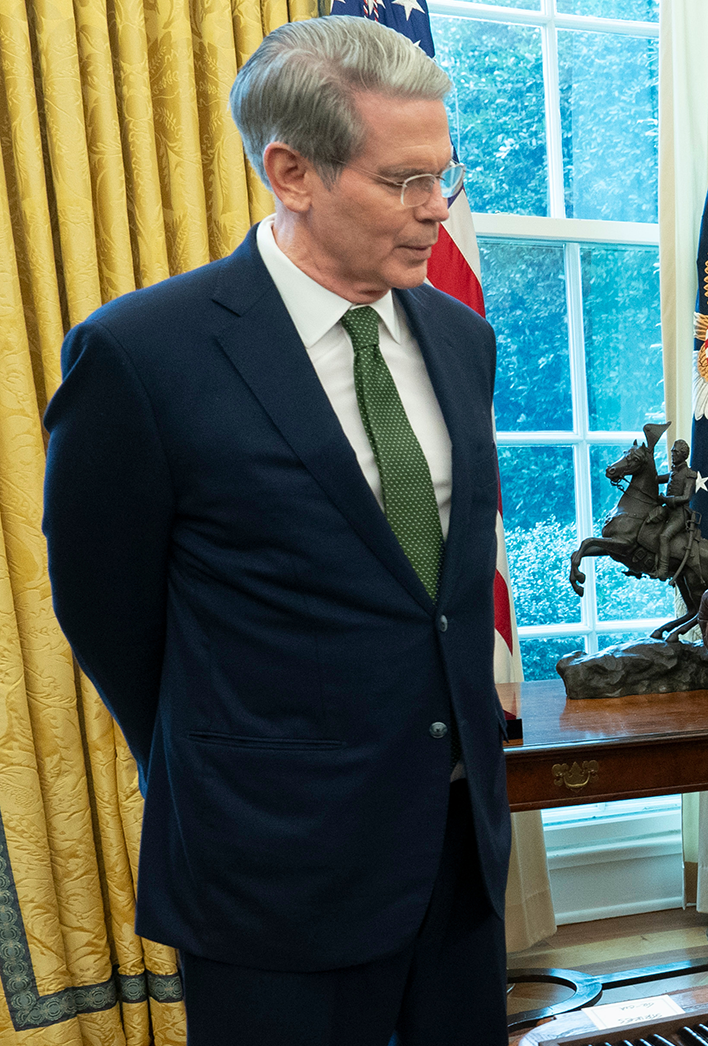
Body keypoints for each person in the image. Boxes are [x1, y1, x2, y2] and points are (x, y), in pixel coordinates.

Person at [42, 17, 508, 1044]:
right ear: (291, 171)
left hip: (454, 855)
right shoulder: (142, 355)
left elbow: (441, 595)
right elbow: (108, 610)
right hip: (272, 866)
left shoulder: (461, 338)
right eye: (402, 181)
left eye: (445, 173)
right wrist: (244, 759)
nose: (437, 208)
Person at [649, 438, 699, 579]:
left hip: (680, 514)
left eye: (675, 452)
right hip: (668, 510)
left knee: (664, 536)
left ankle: (663, 570)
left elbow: (686, 497)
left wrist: (667, 499)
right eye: (672, 451)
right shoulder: (672, 472)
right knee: (646, 521)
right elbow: (656, 478)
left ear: (683, 454)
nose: (672, 454)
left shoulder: (690, 474)